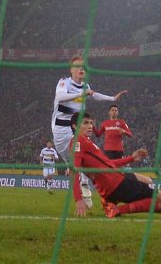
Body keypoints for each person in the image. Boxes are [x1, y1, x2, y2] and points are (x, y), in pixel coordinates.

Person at [51, 56, 127, 208]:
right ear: (71, 70)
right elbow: (60, 97)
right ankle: (82, 182)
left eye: (83, 67)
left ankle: (87, 184)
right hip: (62, 129)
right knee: (73, 162)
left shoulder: (85, 85)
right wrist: (81, 94)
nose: (81, 69)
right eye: (78, 67)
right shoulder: (64, 82)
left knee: (90, 156)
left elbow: (94, 95)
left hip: (78, 129)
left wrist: (112, 97)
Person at [66, 113, 158, 217]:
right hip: (113, 182)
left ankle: (108, 202)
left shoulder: (87, 142)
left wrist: (131, 158)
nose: (90, 126)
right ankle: (115, 208)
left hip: (114, 177)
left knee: (149, 181)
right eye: (85, 123)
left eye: (91, 123)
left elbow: (108, 164)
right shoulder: (78, 142)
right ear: (74, 126)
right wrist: (78, 199)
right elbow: (74, 170)